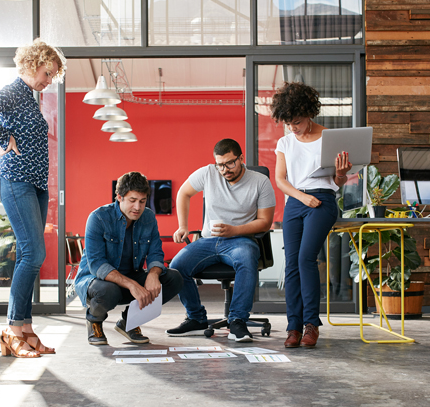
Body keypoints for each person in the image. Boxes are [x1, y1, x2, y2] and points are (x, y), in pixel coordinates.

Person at [0, 38, 66, 358]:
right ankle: (12, 331)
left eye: (53, 75)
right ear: (32, 64)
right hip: (16, 181)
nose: (49, 80)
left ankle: (25, 329)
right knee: (32, 253)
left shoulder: (30, 98)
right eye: (47, 72)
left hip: (36, 184)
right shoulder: (14, 91)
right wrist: (3, 136)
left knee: (33, 256)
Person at [167, 139, 276, 343]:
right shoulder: (208, 173)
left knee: (246, 259)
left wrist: (234, 230)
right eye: (220, 165)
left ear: (241, 158)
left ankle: (237, 321)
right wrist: (183, 226)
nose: (224, 170)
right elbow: (183, 192)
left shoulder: (261, 182)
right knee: (176, 266)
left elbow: (265, 222)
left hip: (241, 240)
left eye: (229, 163)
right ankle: (196, 319)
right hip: (209, 241)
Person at [271, 82, 353, 348]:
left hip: (323, 200)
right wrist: (301, 196)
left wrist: (341, 173)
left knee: (307, 258)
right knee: (292, 263)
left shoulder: (329, 138)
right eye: (288, 123)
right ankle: (293, 327)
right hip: (296, 201)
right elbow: (281, 180)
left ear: (309, 113)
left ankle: (311, 324)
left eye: (297, 121)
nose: (293, 127)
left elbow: (337, 182)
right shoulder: (285, 142)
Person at [75, 172, 184, 346]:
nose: (138, 207)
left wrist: (153, 274)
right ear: (119, 197)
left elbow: (156, 253)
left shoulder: (148, 217)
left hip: (131, 275)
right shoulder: (98, 218)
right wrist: (133, 285)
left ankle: (129, 322)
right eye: (132, 200)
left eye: (142, 201)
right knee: (109, 291)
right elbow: (97, 265)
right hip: (97, 281)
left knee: (174, 278)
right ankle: (94, 321)